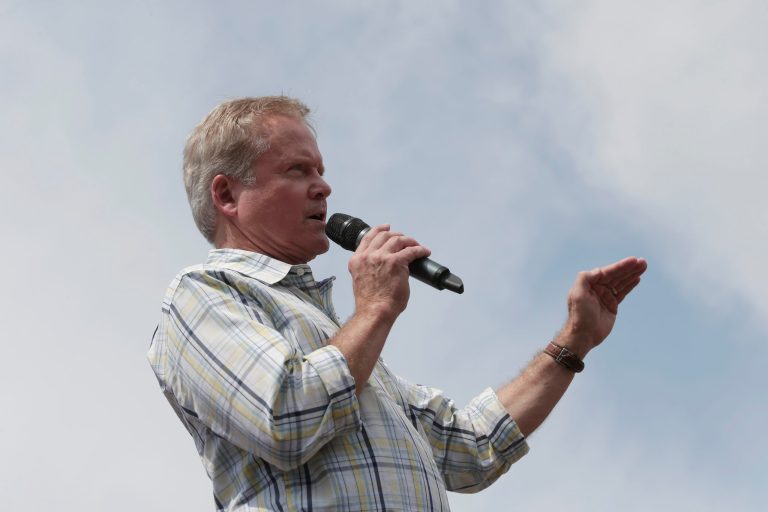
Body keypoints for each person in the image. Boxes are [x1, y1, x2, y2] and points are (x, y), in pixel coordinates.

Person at [147, 96, 647, 511]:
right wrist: (375, 309)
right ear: (227, 195)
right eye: (297, 170)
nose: (323, 186)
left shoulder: (343, 348)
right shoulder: (203, 294)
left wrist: (574, 339)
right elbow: (285, 416)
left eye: (320, 171)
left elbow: (470, 448)